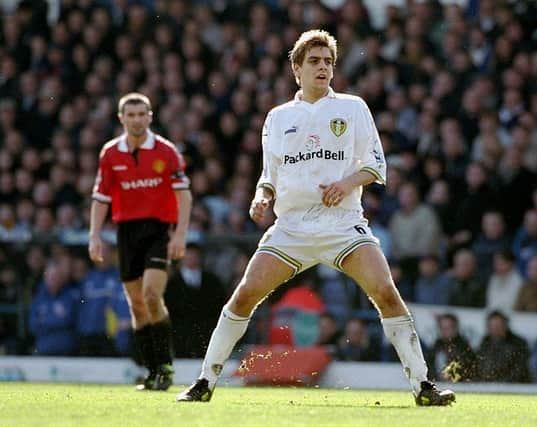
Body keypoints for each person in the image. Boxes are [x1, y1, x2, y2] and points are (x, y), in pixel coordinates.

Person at [177, 30, 454, 406]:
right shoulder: (277, 118)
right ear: (296, 69)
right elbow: (268, 176)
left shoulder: (352, 108)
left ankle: (423, 386)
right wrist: (261, 198)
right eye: (314, 61)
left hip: (342, 224)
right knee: (244, 296)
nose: (323, 67)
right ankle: (204, 382)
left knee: (386, 293)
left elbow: (375, 165)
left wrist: (345, 183)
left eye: (328, 62)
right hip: (291, 228)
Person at [88, 93, 192, 391]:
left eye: (141, 114)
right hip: (126, 232)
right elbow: (101, 197)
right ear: (122, 119)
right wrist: (94, 234)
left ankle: (166, 366)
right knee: (136, 304)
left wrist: (180, 233)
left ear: (150, 116)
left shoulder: (166, 151)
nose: (136, 120)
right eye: (130, 115)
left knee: (150, 295)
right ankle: (152, 371)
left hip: (158, 230)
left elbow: (183, 194)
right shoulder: (110, 154)